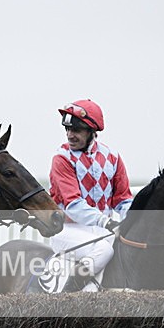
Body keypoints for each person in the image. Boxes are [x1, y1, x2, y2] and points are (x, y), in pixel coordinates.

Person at [47, 99, 133, 291]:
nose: (70, 135)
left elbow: (124, 199)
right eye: (67, 129)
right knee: (103, 250)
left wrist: (131, 221)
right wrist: (107, 222)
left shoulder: (113, 157)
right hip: (66, 230)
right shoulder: (61, 159)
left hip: (101, 232)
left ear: (92, 131)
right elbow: (73, 204)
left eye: (76, 130)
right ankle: (71, 295)